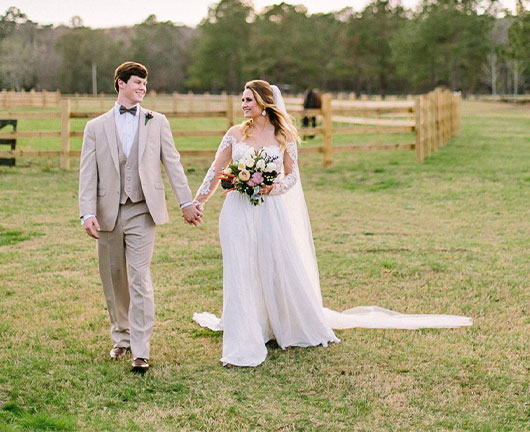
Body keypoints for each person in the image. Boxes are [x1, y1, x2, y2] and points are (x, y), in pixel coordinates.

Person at [193, 80, 472, 367]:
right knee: (240, 267)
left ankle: (275, 322)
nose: (244, 105)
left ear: (265, 103)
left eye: (249, 100)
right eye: (242, 100)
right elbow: (215, 172)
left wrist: (270, 188)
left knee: (273, 266)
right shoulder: (235, 133)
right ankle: (244, 332)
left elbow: (291, 177)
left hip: (270, 211)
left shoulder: (283, 135)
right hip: (238, 210)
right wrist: (198, 202)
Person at [79, 61, 202, 372]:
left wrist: (185, 202)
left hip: (143, 210)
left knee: (139, 277)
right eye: (136, 83)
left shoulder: (156, 122)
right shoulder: (95, 127)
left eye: (144, 84)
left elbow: (173, 164)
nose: (142, 88)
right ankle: (121, 338)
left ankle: (141, 350)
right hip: (108, 212)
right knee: (114, 278)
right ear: (120, 83)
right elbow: (87, 174)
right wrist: (87, 213)